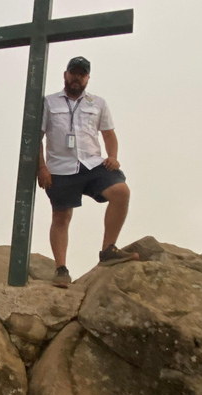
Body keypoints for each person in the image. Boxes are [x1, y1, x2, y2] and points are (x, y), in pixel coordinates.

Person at [37, 56, 139, 287]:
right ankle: (61, 269)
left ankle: (108, 251)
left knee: (121, 192)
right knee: (61, 216)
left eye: (82, 74)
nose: (77, 78)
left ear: (88, 78)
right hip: (60, 168)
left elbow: (109, 134)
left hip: (92, 164)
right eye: (73, 72)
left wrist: (112, 156)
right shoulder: (49, 102)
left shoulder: (98, 103)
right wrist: (41, 167)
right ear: (65, 74)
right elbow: (37, 138)